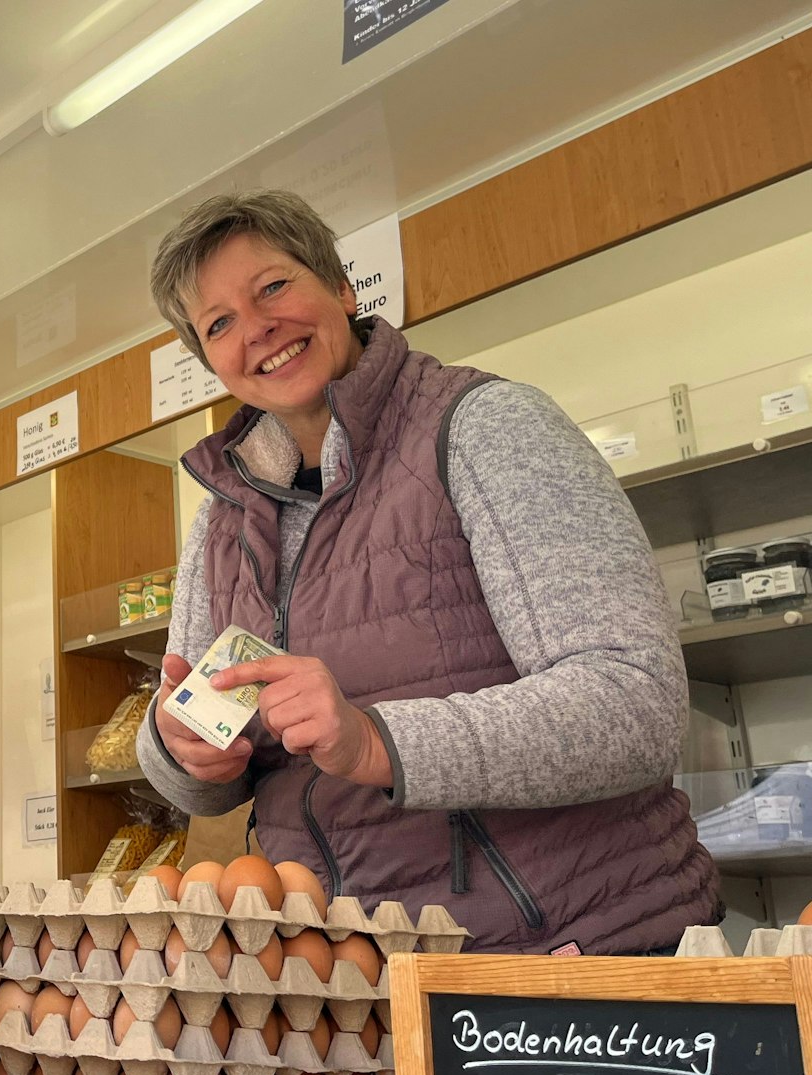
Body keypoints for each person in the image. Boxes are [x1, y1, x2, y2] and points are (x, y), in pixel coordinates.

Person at [134, 190, 719, 954]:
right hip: (346, 983)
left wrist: (376, 740)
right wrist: (180, 748)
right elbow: (207, 770)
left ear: (341, 288)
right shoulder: (222, 516)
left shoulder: (483, 427)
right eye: (219, 324)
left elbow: (634, 703)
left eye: (273, 287)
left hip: (564, 955)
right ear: (212, 361)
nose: (257, 329)